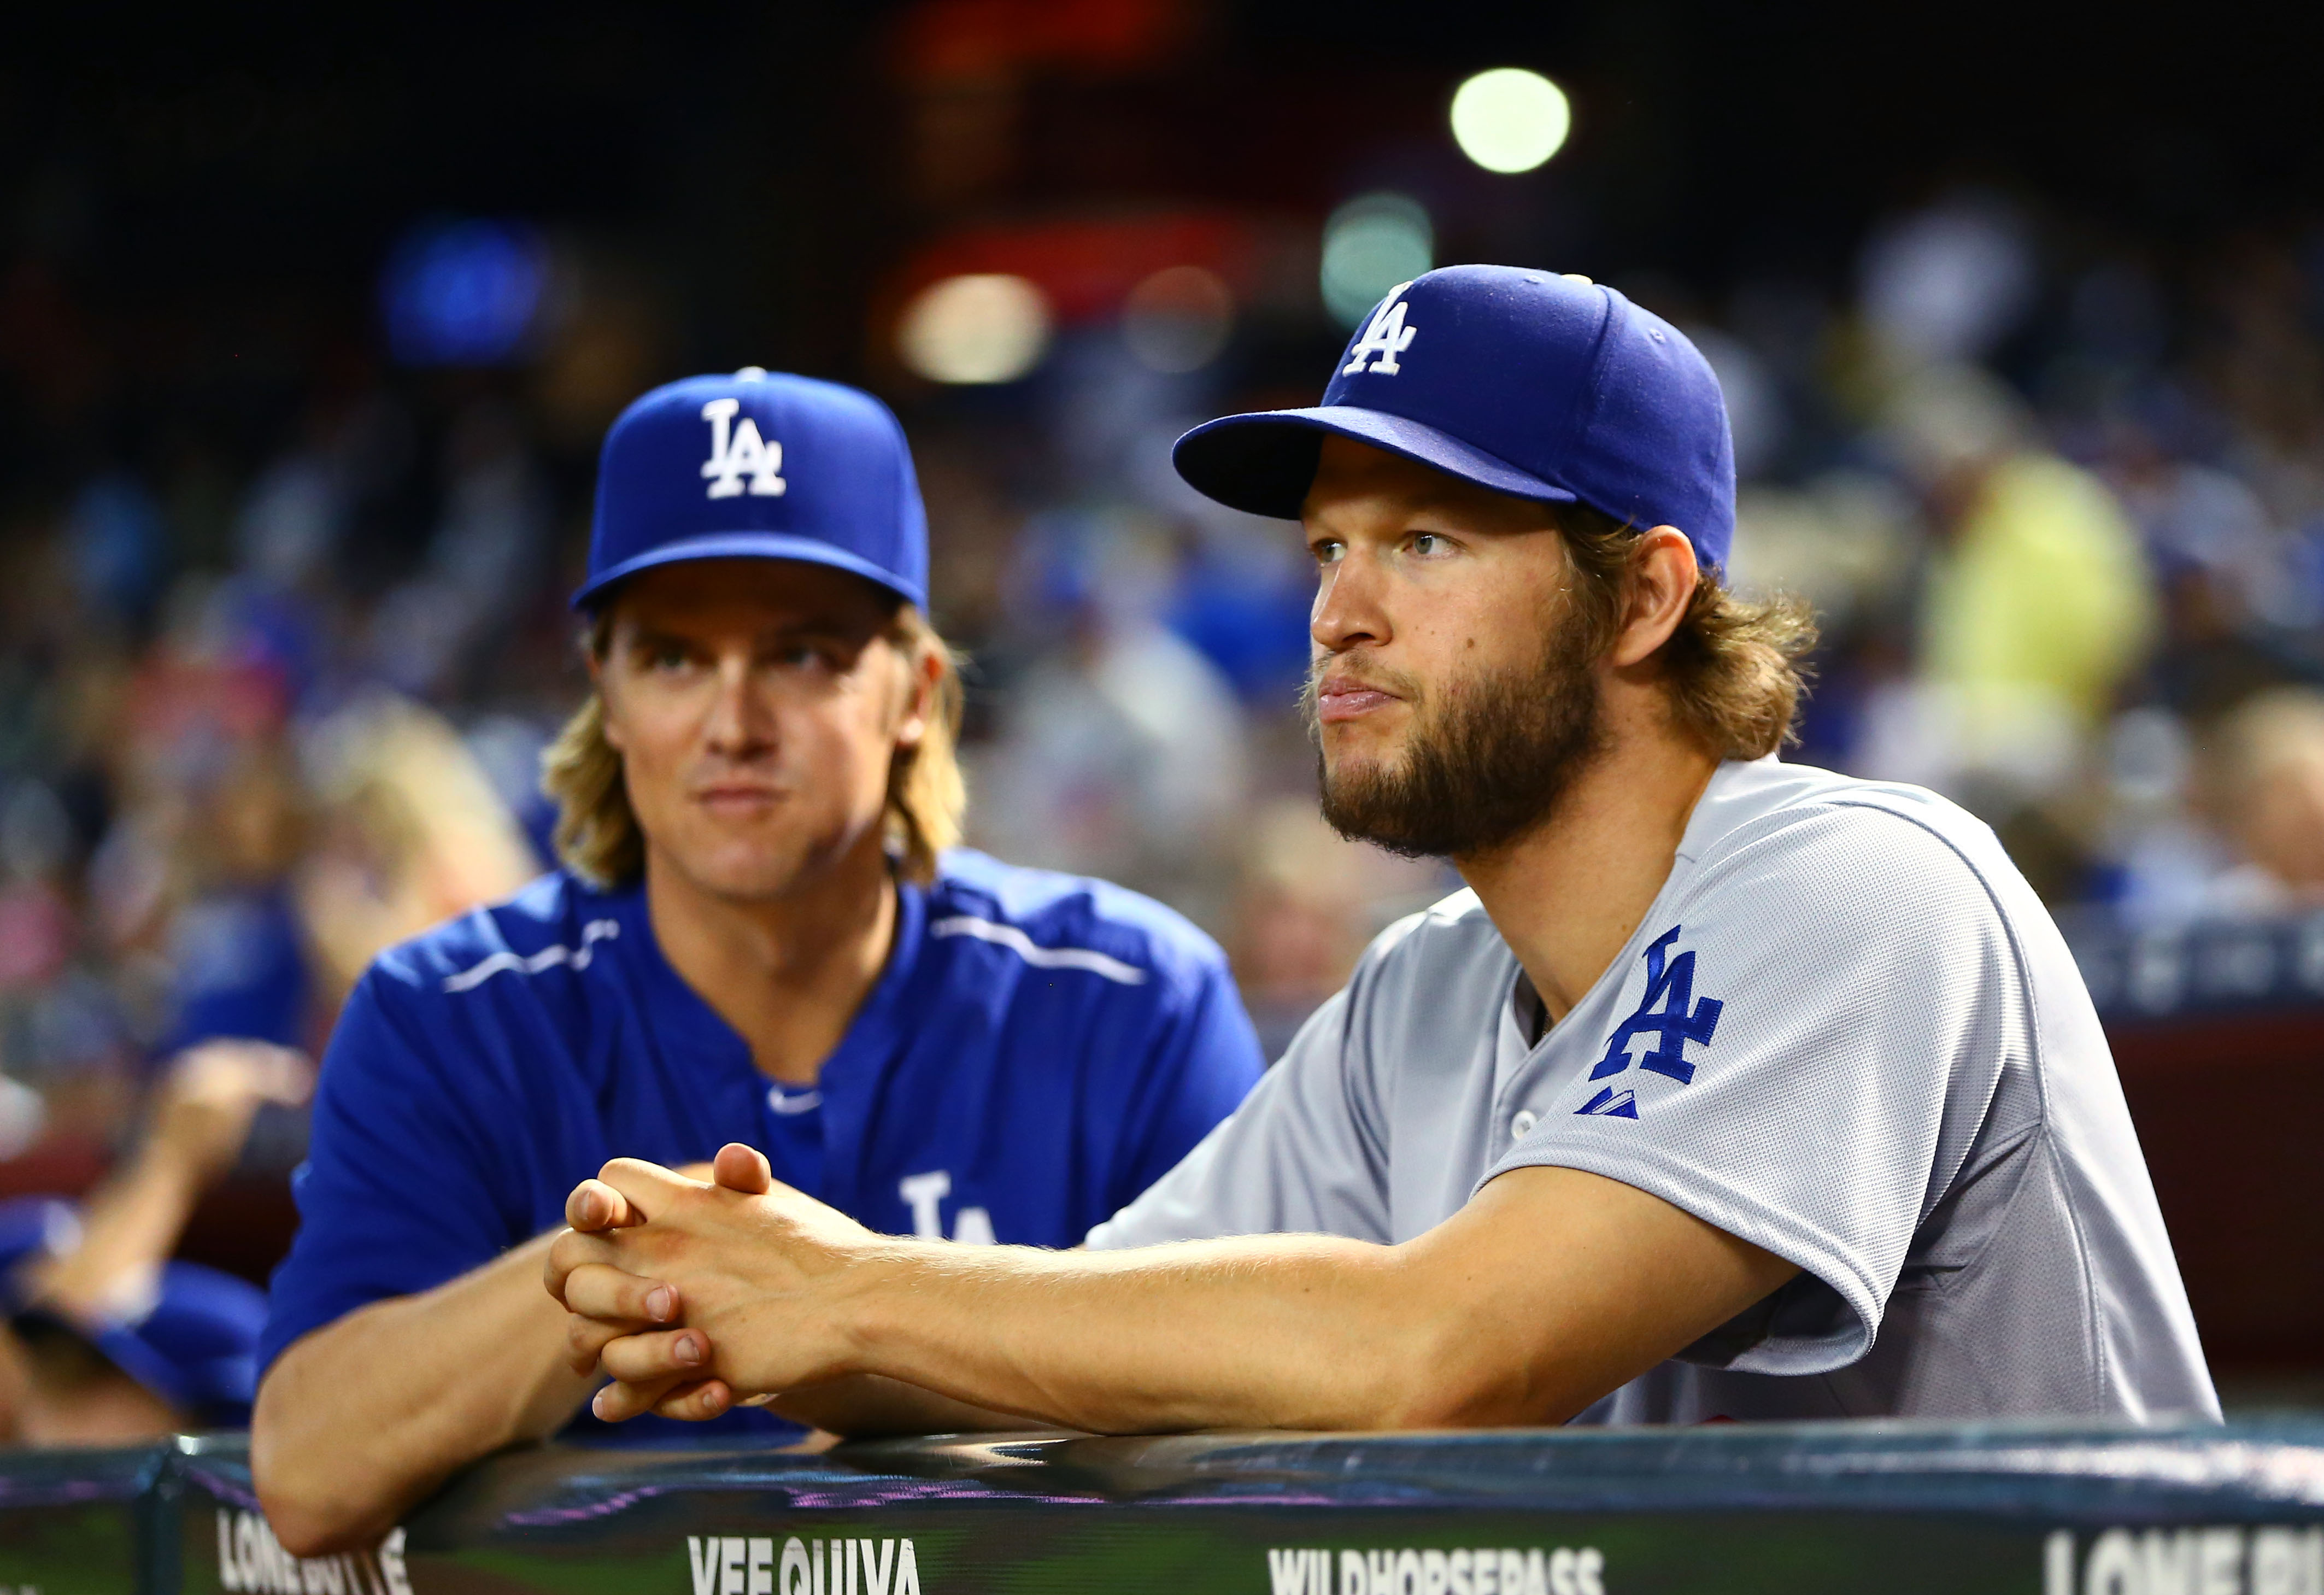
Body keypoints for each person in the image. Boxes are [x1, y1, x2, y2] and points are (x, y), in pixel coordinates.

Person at [547, 268, 2220, 1436]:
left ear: (1643, 596)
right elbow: (1048, 1338)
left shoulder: (1856, 886)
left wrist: (859, 1297)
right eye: (1329, 544)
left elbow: (1449, 1352)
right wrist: (719, 1288)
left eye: (1425, 538)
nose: (1338, 613)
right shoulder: (1418, 997)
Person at [253, 370, 1265, 1555]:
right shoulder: (448, 1012)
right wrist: (622, 1260)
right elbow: (309, 1474)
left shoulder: (1127, 996)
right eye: (675, 659)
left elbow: (1260, 1399)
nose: (732, 721)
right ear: (607, 693)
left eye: (799, 655)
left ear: (913, 690)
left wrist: (842, 1313)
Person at [0, 1039, 310, 1443]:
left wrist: (175, 1155)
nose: (55, 1413)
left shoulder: (237, 1337)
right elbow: (57, 1313)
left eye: (90, 1386)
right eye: (77, 1382)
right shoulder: (42, 1239)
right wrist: (173, 1154)